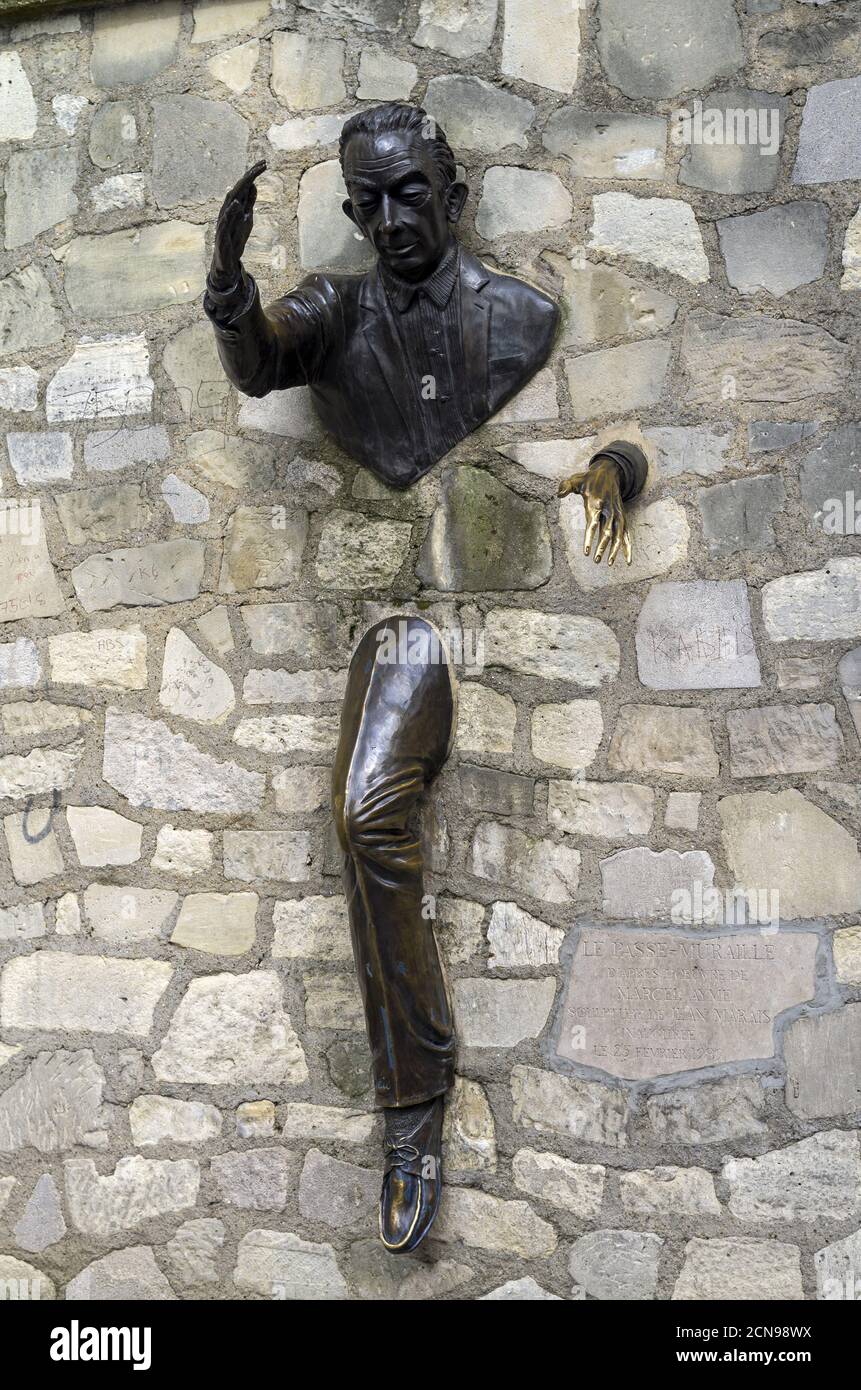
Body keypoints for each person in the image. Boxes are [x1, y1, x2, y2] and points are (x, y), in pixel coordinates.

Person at [205, 102, 647, 1251]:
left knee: (378, 815)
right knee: (362, 817)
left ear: (452, 192)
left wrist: (607, 478)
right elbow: (260, 362)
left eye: (413, 193)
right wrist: (224, 283)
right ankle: (413, 1104)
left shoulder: (520, 317)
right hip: (394, 616)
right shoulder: (337, 308)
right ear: (352, 210)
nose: (393, 219)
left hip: (474, 613)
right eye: (371, 200)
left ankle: (416, 1104)